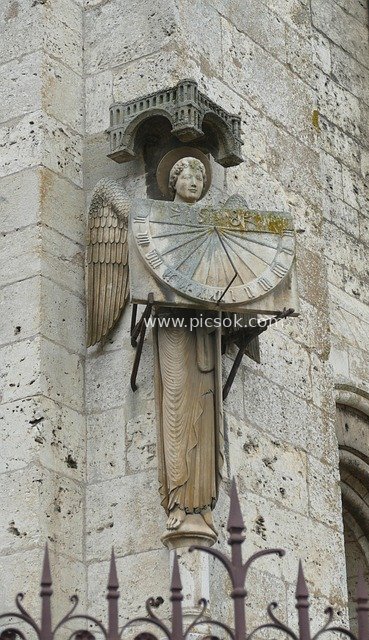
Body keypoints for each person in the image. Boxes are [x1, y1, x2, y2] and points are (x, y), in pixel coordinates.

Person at [154, 156, 223, 535]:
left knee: (207, 405)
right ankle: (178, 496)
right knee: (178, 403)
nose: (194, 180)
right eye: (186, 175)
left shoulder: (213, 228)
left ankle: (202, 501)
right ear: (173, 181)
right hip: (172, 325)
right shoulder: (158, 221)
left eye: (200, 174)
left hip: (205, 326)